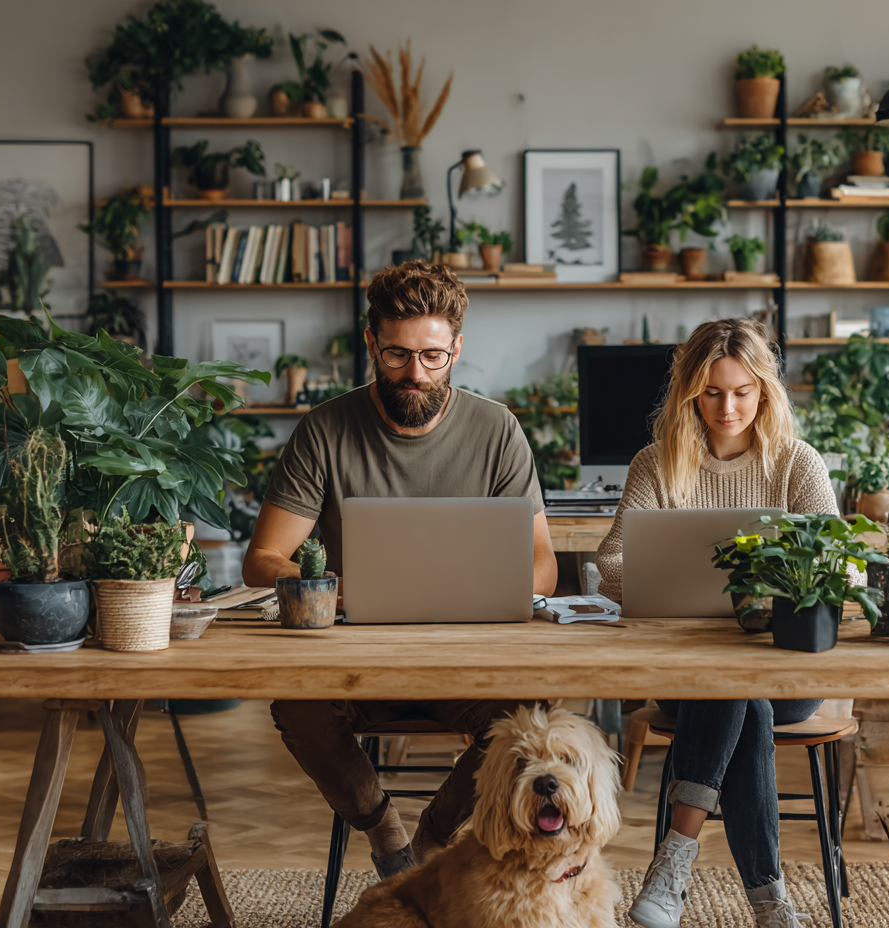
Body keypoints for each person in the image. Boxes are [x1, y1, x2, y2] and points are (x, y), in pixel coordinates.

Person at [243, 261, 558, 878]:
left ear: (457, 348)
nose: (415, 373)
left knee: (532, 710)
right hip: (352, 658)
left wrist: (483, 589)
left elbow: (542, 565)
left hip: (466, 660)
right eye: (396, 355)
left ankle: (435, 836)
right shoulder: (325, 430)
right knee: (297, 707)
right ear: (371, 344)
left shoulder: (497, 430)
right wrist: (327, 594)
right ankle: (384, 830)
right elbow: (263, 560)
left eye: (434, 356)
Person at [596, 317, 843, 928]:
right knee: (739, 695)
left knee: (742, 690)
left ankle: (674, 860)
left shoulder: (797, 464)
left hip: (787, 672)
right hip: (685, 671)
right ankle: (770, 904)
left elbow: (846, 569)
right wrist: (658, 577)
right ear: (688, 393)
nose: (726, 407)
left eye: (741, 391)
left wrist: (788, 583)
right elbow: (611, 562)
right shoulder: (657, 463)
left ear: (764, 390)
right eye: (710, 392)